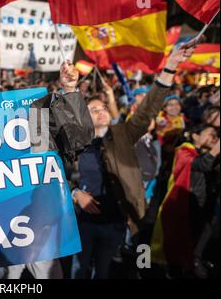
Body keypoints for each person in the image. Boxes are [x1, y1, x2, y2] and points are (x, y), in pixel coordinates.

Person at [70, 41, 196, 279]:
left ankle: (140, 268)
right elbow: (56, 174)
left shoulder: (124, 134)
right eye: (94, 109)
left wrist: (170, 66)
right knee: (79, 269)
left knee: (104, 271)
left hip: (118, 222)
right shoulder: (75, 142)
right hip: (83, 224)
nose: (102, 111)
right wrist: (76, 193)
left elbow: (147, 109)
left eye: (104, 107)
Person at [0, 61, 95, 279]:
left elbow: (80, 139)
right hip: (3, 222)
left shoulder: (40, 137)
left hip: (40, 223)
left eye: (27, 105)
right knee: (7, 276)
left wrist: (70, 90)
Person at [151, 124, 219, 278]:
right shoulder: (184, 150)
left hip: (203, 207)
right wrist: (217, 148)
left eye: (216, 135)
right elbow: (201, 165)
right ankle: (147, 268)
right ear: (195, 136)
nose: (214, 137)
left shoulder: (209, 153)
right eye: (210, 134)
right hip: (185, 207)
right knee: (174, 246)